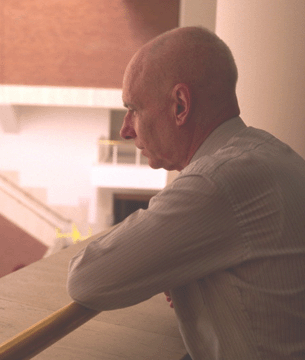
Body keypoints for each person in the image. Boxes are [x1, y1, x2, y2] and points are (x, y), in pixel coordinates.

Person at [67, 27, 305, 359]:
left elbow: (87, 280)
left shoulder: (216, 181)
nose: (125, 130)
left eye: (134, 109)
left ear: (181, 105)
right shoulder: (273, 153)